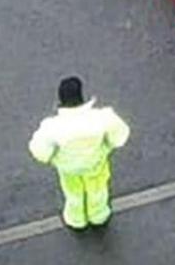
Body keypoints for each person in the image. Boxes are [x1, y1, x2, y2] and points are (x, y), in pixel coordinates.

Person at [29, 75, 133, 233]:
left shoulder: (52, 127)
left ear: (60, 100)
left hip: (68, 169)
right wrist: (107, 147)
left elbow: (40, 151)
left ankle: (76, 220)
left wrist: (54, 159)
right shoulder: (102, 118)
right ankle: (99, 216)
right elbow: (119, 136)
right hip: (95, 163)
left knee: (73, 193)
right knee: (98, 190)